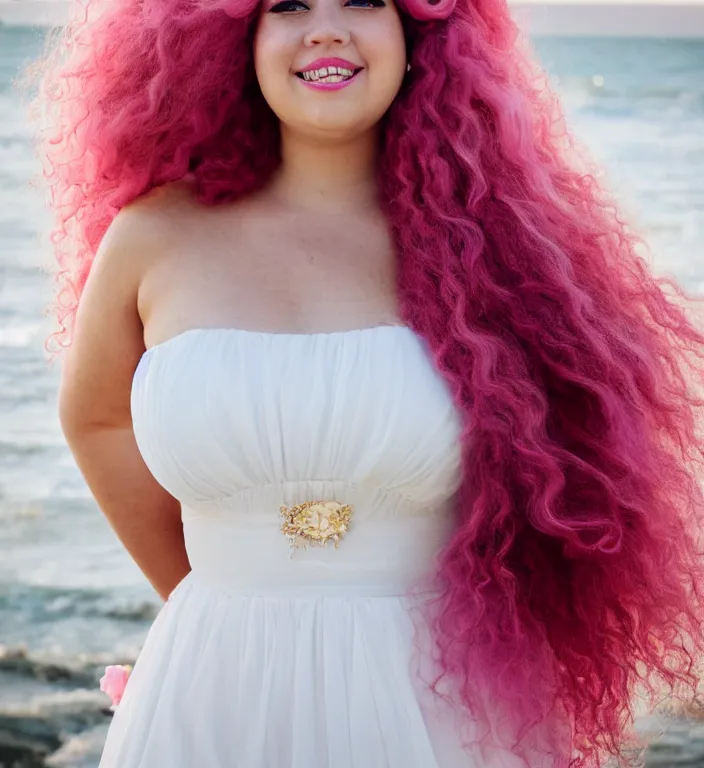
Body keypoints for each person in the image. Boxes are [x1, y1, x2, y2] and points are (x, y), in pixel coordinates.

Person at [22, 0, 704, 763]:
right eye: (287, 5)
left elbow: (585, 478)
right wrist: (208, 594)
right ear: (229, 41)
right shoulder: (152, 235)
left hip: (440, 694)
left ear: (421, 33)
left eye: (361, 0)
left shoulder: (507, 254)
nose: (324, 27)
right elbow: (97, 418)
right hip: (212, 679)